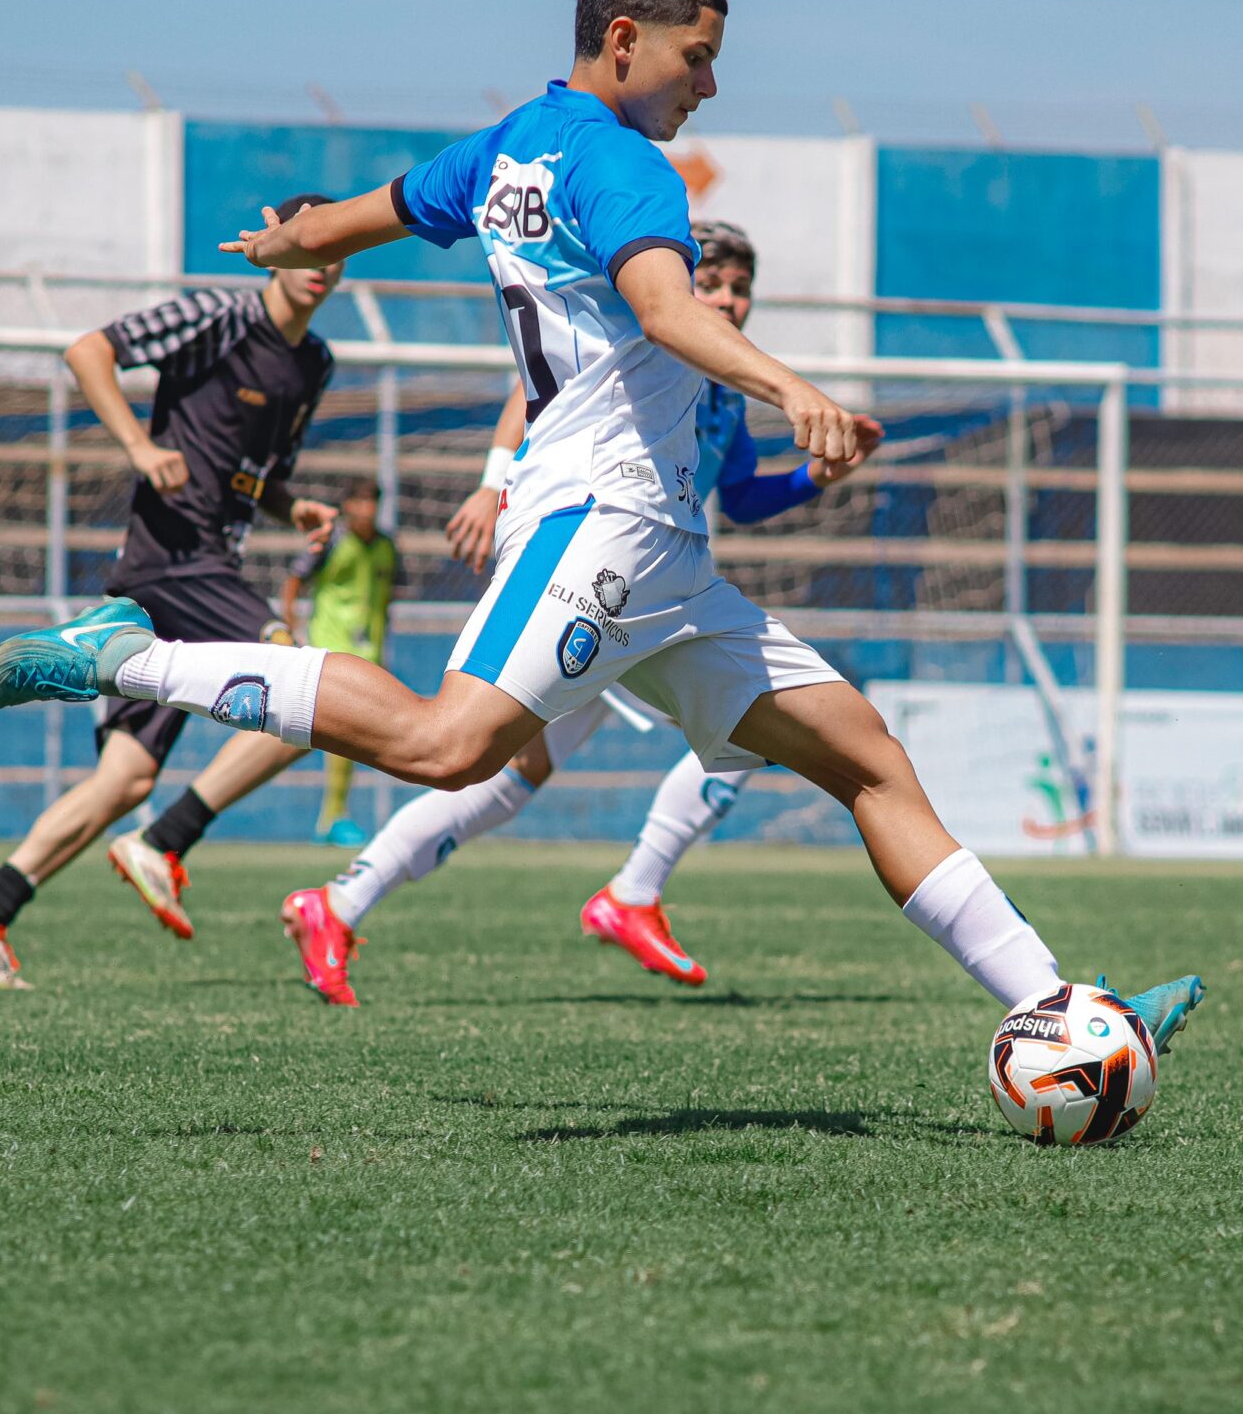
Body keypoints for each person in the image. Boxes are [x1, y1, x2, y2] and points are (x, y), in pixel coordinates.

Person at [0, 0, 1205, 1055]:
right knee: (446, 747)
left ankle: (1052, 1007)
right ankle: (124, 657)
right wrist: (793, 389)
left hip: (668, 560)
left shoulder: (508, 145)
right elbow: (666, 309)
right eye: (696, 58)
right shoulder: (624, 169)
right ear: (625, 40)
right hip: (601, 520)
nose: (706, 86)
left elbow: (384, 208)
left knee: (869, 761)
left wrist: (296, 239)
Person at [296, 220, 859, 1002]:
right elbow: (537, 390)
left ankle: (338, 901)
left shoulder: (726, 386)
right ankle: (632, 892)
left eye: (741, 289)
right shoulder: (637, 335)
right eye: (715, 284)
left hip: (649, 589)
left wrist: (814, 479)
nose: (729, 301)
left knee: (500, 775)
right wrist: (493, 484)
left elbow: (746, 494)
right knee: (744, 730)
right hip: (598, 571)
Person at [0, 194, 342, 989]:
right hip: (173, 558)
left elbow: (253, 474)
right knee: (308, 695)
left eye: (336, 250)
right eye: (306, 244)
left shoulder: (313, 364)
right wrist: (139, 446)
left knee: (125, 778)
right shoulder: (217, 317)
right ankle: (166, 841)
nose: (321, 263)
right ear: (275, 242)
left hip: (202, 565)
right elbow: (89, 350)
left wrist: (293, 506)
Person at [279, 476, 401, 848]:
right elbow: (294, 581)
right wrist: (290, 625)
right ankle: (333, 817)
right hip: (329, 651)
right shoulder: (332, 542)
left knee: (346, 740)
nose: (367, 511)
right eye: (360, 502)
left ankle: (333, 816)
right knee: (332, 737)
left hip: (369, 655)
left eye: (372, 503)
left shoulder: (386, 547)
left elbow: (386, 596)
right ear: (348, 507)